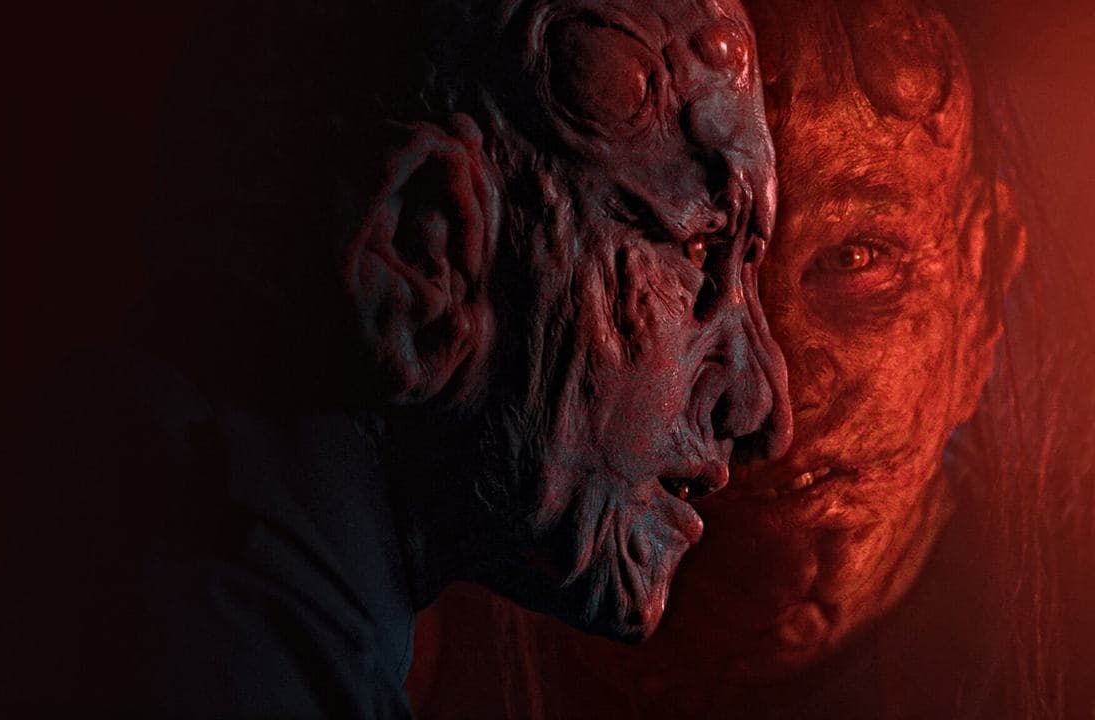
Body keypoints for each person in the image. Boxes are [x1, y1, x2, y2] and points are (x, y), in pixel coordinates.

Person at [5, 0, 793, 715]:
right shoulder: (208, 661)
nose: (760, 405)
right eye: (698, 250)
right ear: (424, 247)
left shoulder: (124, 552)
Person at [409, 0, 1095, 717]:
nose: (772, 392)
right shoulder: (413, 628)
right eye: (694, 253)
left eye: (857, 260)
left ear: (981, 278)